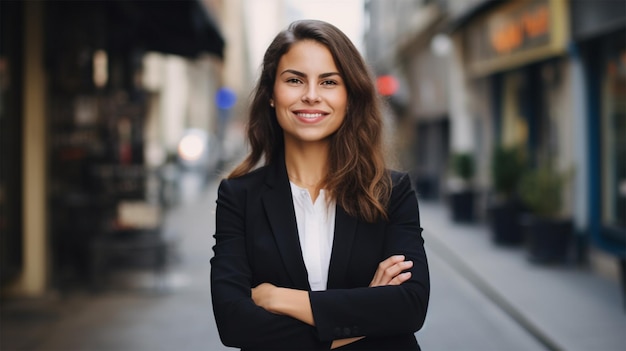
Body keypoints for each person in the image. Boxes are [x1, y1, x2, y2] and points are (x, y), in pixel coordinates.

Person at [210, 19, 429, 350]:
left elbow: (409, 307)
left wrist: (278, 298)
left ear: (349, 96)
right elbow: (234, 323)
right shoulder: (238, 197)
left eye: (328, 82)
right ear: (271, 94)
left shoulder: (390, 192)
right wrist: (362, 319)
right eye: (295, 80)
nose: (311, 96)